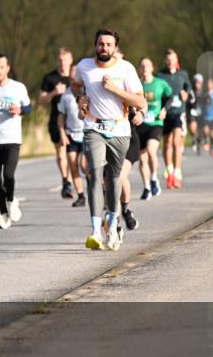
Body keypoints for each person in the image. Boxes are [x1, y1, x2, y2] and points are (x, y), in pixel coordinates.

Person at [71, 29, 145, 251]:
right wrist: (80, 99)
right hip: (93, 127)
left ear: (115, 48)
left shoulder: (126, 69)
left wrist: (114, 89)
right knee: (94, 175)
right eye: (101, 44)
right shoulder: (84, 65)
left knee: (113, 180)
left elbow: (140, 102)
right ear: (95, 45)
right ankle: (95, 230)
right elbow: (75, 84)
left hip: (120, 129)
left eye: (109, 44)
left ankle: (112, 224)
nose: (104, 48)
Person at [0, 55, 32, 229]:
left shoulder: (18, 88)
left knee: (9, 176)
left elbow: (29, 107)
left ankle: (11, 200)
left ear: (8, 68)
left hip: (12, 139)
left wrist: (20, 110)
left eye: (2, 67)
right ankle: (3, 214)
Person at [38, 48, 75, 199]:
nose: (62, 62)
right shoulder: (49, 78)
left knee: (73, 154)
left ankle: (71, 180)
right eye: (60, 59)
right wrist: (54, 92)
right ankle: (66, 181)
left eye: (65, 59)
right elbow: (41, 101)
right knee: (61, 153)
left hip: (74, 121)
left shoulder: (75, 77)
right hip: (56, 119)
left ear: (71, 60)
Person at [136, 57, 173, 200]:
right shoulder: (136, 84)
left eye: (147, 66)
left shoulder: (160, 83)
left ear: (152, 68)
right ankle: (146, 187)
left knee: (151, 151)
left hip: (156, 123)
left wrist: (164, 109)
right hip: (140, 125)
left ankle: (153, 178)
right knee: (142, 159)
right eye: (142, 66)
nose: (145, 69)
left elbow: (170, 97)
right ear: (139, 69)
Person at [156, 49, 192, 189]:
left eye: (173, 59)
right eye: (168, 59)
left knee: (177, 142)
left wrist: (186, 93)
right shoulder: (160, 75)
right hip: (166, 113)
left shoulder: (183, 74)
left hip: (179, 112)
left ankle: (177, 172)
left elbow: (188, 87)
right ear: (166, 61)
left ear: (177, 60)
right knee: (167, 143)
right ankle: (169, 169)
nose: (171, 61)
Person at [56, 66, 87, 207]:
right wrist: (62, 134)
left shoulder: (88, 91)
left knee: (85, 166)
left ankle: (101, 192)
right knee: (73, 165)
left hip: (87, 133)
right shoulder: (66, 95)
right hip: (71, 134)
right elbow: (61, 117)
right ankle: (81, 195)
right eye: (72, 74)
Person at [187, 73, 205, 154]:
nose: (198, 83)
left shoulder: (204, 92)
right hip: (193, 112)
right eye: (196, 82)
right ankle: (193, 138)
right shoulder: (191, 91)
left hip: (201, 113)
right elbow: (187, 102)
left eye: (199, 82)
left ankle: (199, 143)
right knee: (192, 128)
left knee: (201, 130)